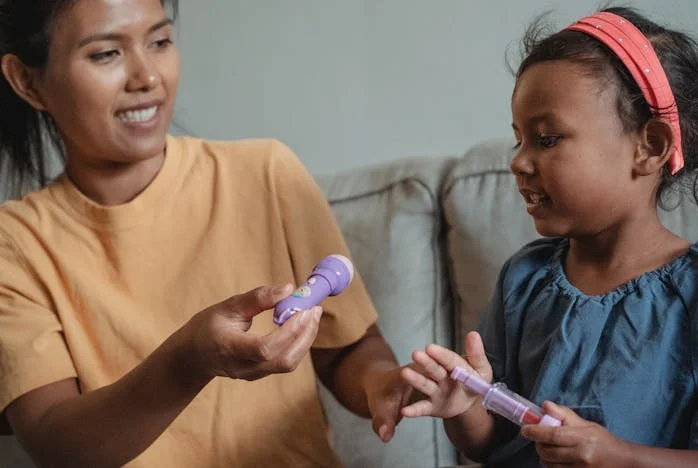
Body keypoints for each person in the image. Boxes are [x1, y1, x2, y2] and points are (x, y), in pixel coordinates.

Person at [0, 0, 410, 466]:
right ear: (26, 81)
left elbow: (348, 349)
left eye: (159, 42)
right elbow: (57, 446)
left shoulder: (266, 173)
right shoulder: (14, 244)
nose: (147, 77)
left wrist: (384, 383)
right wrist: (188, 361)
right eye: (105, 54)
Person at [386, 6, 698, 467]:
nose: (518, 161)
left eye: (547, 138)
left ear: (649, 147)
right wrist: (463, 409)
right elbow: (491, 441)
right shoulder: (524, 279)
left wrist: (621, 457)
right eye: (519, 139)